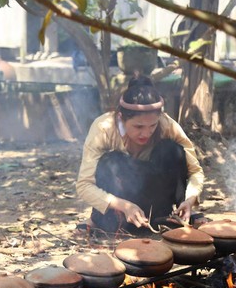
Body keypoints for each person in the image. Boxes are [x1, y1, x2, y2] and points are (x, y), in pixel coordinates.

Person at [76, 75, 204, 233]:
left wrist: (190, 200)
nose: (146, 133)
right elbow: (84, 185)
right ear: (121, 118)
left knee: (173, 150)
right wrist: (124, 205)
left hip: (155, 198)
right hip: (120, 204)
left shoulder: (167, 125)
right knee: (111, 161)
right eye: (138, 127)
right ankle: (100, 220)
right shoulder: (103, 128)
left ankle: (180, 214)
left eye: (152, 125)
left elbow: (194, 171)